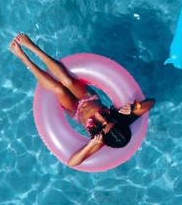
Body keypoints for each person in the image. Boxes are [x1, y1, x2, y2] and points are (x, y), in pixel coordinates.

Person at [9, 33, 154, 167]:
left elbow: (72, 163)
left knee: (59, 89)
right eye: (108, 120)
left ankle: (24, 58)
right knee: (68, 81)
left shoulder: (100, 142)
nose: (103, 121)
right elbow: (151, 102)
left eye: (102, 127)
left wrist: (90, 145)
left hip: (75, 111)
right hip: (88, 98)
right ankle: (33, 47)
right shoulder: (123, 118)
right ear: (116, 122)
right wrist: (136, 106)